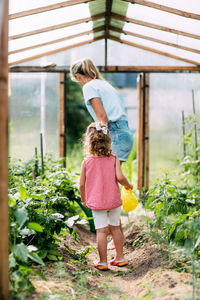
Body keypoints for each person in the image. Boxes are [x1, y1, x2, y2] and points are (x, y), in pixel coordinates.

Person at [70, 58, 133, 248]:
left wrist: (99, 140)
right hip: (122, 132)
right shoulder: (103, 84)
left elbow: (102, 118)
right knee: (111, 182)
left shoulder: (88, 86)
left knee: (108, 184)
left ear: (79, 76)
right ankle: (116, 239)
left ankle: (113, 239)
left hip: (113, 132)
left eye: (77, 80)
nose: (79, 83)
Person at [79, 122, 133, 270]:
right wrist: (128, 185)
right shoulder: (114, 159)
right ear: (108, 141)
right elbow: (120, 178)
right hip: (114, 202)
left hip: (97, 203)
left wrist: (85, 199)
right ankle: (120, 258)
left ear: (89, 142)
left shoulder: (87, 162)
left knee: (101, 231)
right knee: (115, 228)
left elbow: (81, 185)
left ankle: (103, 262)